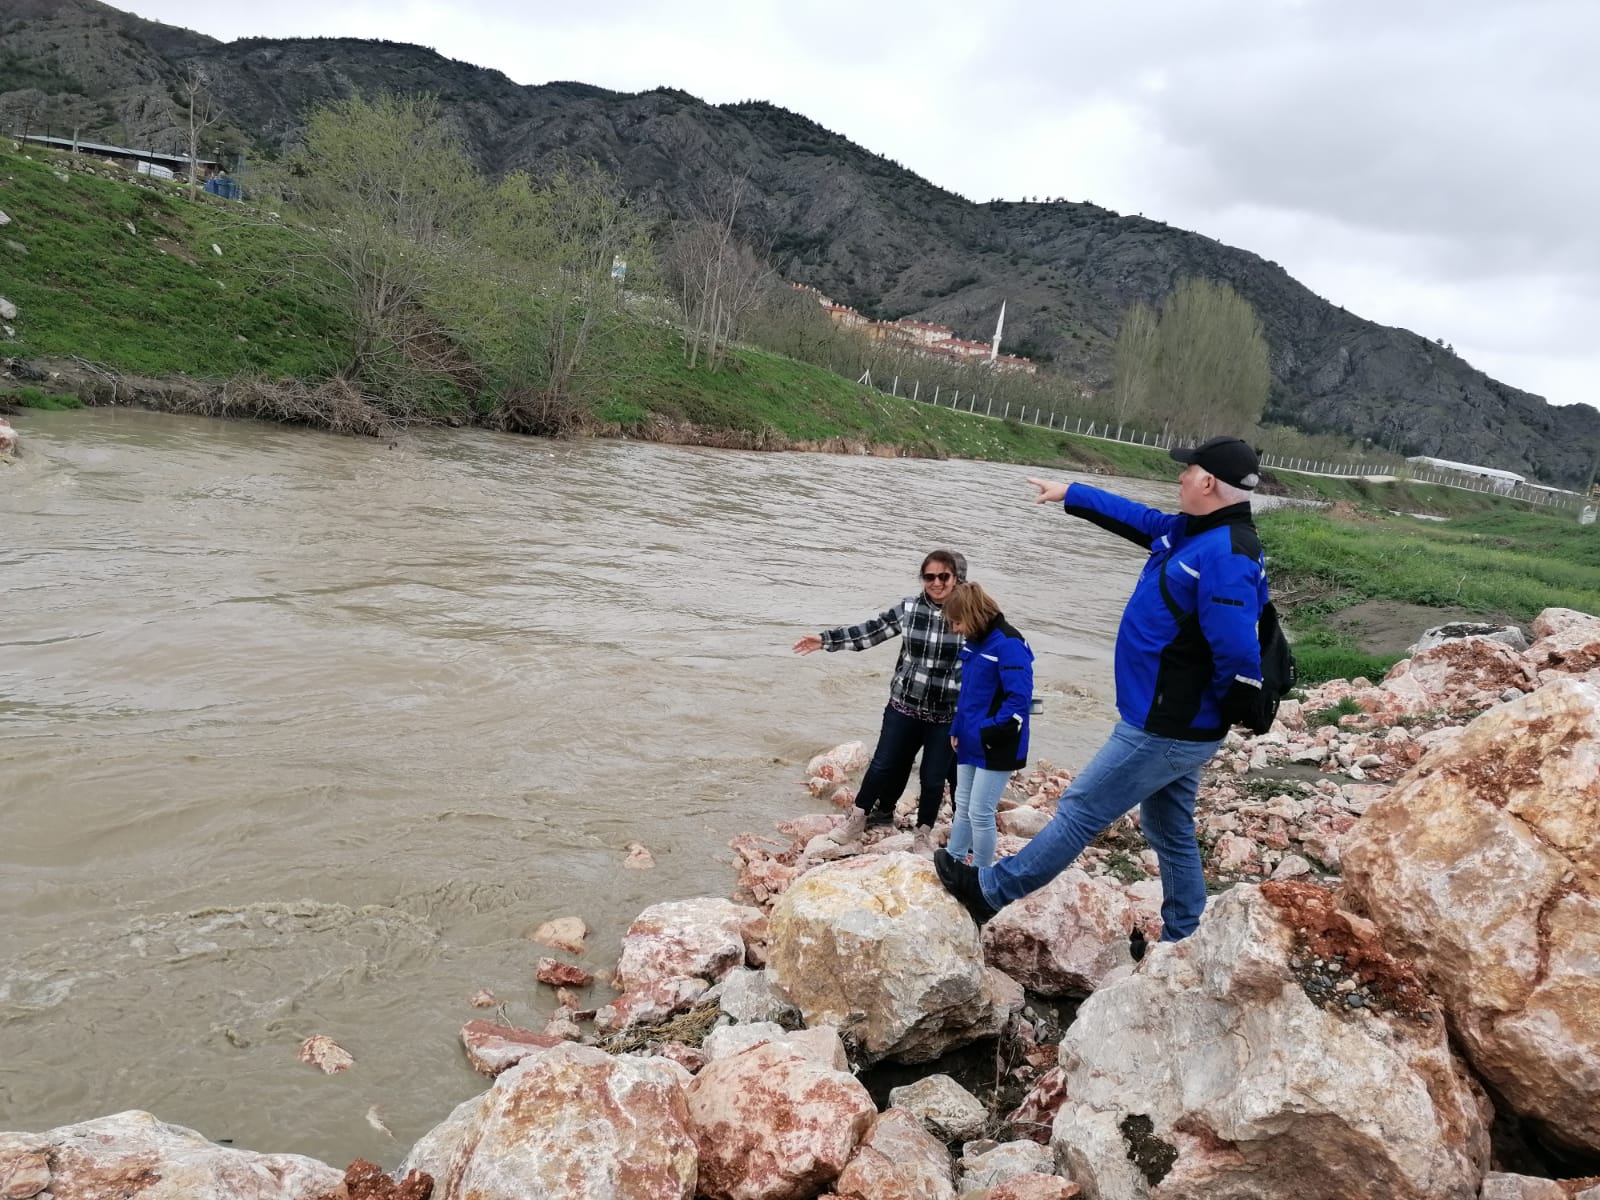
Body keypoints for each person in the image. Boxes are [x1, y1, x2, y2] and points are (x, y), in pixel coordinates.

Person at [935, 436, 1270, 943]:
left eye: (1187, 470)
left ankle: (991, 891)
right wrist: (1071, 492)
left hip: (1167, 723)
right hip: (1171, 719)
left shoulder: (1227, 552)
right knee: (1170, 829)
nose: (1179, 478)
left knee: (1079, 810)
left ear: (1207, 482)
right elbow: (1137, 518)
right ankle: (1184, 936)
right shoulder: (1191, 532)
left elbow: (1237, 651)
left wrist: (1202, 715)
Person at [793, 550, 967, 857]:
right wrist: (825, 640)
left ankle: (923, 834)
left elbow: (996, 649)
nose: (937, 583)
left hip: (946, 714)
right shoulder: (910, 608)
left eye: (944, 576)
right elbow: (869, 633)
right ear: (923, 579)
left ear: (957, 578)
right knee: (883, 764)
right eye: (930, 577)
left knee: (932, 777)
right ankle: (857, 819)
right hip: (904, 706)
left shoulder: (970, 614)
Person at [943, 582, 1034, 869]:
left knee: (981, 812)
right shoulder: (977, 641)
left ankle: (982, 876)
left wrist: (988, 732)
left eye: (957, 622)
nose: (955, 629)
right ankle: (954, 859)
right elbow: (968, 693)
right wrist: (957, 728)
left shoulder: (1009, 645)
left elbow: (1019, 701)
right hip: (970, 738)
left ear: (972, 615)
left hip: (997, 743)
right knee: (963, 806)